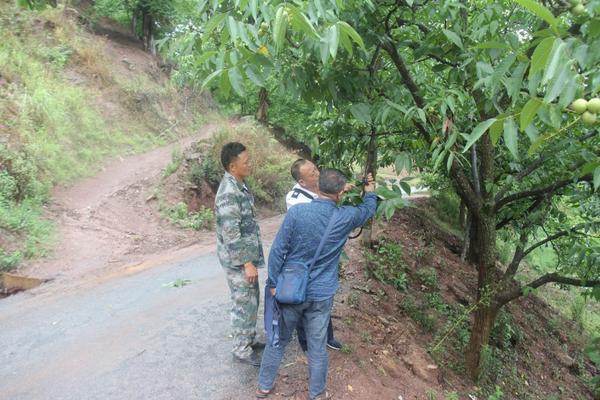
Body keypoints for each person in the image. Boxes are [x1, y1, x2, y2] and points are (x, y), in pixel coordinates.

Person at [256, 169, 377, 399]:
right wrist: (369, 192)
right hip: (321, 294)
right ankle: (317, 394)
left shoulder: (297, 213)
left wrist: (273, 282)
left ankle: (264, 385)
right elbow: (368, 211)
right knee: (317, 346)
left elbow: (278, 251)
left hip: (290, 290)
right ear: (341, 193)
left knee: (278, 339)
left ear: (318, 186)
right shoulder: (345, 216)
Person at [215, 142, 265, 367]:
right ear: (233, 166)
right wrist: (247, 263)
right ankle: (241, 349)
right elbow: (231, 233)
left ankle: (249, 338)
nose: (250, 164)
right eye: (246, 162)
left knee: (252, 297)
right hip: (237, 259)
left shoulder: (239, 185)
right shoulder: (228, 192)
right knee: (243, 300)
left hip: (246, 256)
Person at [285, 159, 343, 352]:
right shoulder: (296, 198)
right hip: (304, 259)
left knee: (322, 298)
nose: (317, 174)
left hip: (320, 256)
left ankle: (327, 337)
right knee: (304, 298)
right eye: (312, 174)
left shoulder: (317, 191)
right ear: (302, 181)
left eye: (317, 170)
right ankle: (306, 343)